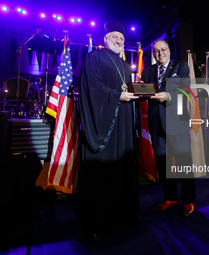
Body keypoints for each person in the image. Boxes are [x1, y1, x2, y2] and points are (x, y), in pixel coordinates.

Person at [77, 20, 139, 238]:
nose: (119, 41)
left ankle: (122, 215)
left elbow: (127, 88)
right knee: (102, 171)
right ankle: (98, 220)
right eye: (115, 37)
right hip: (103, 120)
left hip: (122, 121)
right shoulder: (94, 57)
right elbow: (91, 87)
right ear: (105, 39)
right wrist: (116, 96)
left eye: (122, 38)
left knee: (122, 165)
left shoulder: (124, 65)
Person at [141, 40, 196, 217]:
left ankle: (188, 200)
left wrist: (169, 95)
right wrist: (136, 91)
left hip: (177, 124)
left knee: (184, 164)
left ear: (169, 51)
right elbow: (144, 93)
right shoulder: (147, 70)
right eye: (156, 51)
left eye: (163, 50)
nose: (160, 54)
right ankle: (170, 197)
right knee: (163, 165)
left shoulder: (181, 66)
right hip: (157, 125)